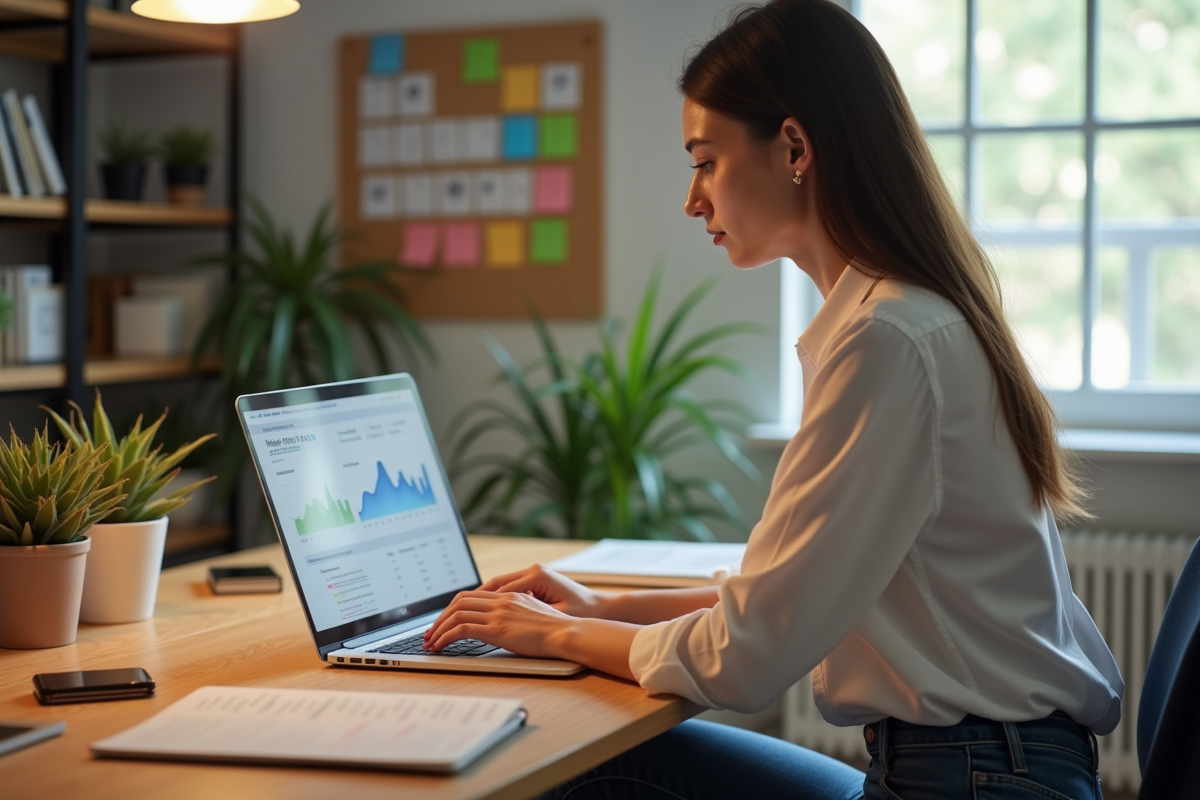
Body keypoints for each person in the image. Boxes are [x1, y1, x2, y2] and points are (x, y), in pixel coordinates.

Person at [423, 1, 1124, 797]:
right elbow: (795, 587)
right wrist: (608, 606)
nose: (693, 201)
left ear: (793, 146)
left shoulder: (886, 341)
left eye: (705, 161)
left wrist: (565, 634)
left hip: (970, 782)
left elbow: (747, 655)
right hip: (987, 766)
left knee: (580, 772)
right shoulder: (902, 317)